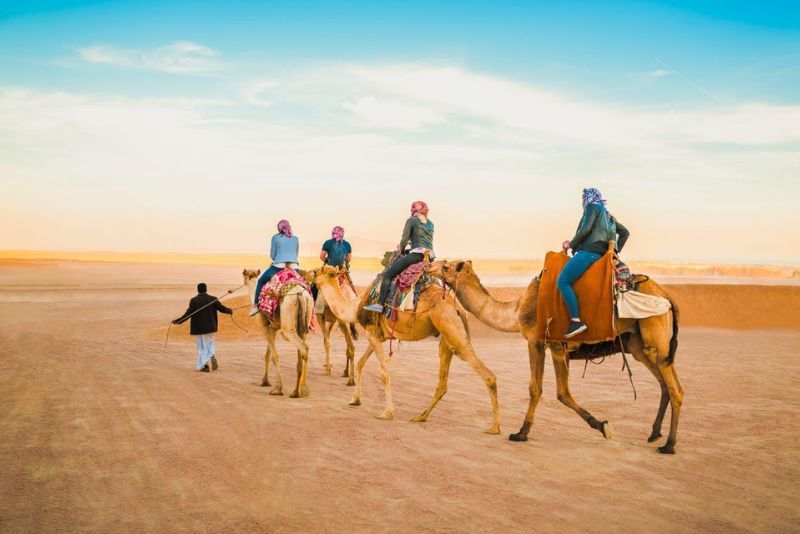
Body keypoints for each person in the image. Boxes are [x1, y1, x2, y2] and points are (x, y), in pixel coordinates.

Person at [558, 188, 629, 338]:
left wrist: (570, 244)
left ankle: (576, 321)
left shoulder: (592, 207)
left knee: (563, 281)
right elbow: (625, 233)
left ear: (587, 198)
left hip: (589, 252)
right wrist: (614, 252)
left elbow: (585, 229)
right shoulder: (609, 215)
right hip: (603, 255)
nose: (583, 201)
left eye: (583, 198)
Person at [364, 201, 434, 313]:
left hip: (416, 255)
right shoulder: (430, 223)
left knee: (387, 275)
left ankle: (380, 304)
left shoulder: (411, 220)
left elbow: (404, 239)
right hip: (430, 256)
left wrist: (400, 249)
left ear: (413, 210)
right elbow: (423, 242)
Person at [173, 283, 233, 372]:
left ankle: (205, 365)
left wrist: (178, 321)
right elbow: (221, 308)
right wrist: (230, 311)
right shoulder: (213, 299)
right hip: (210, 327)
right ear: (206, 289)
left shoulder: (194, 300)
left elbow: (188, 313)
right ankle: (211, 355)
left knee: (201, 347)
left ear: (198, 290)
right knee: (209, 343)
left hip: (198, 328)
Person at [250, 219, 301, 316]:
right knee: (303, 285)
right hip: (294, 266)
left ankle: (255, 306)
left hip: (279, 265)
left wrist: (277, 258)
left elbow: (272, 255)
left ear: (279, 228)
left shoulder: (275, 237)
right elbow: (296, 254)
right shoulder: (295, 238)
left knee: (261, 281)